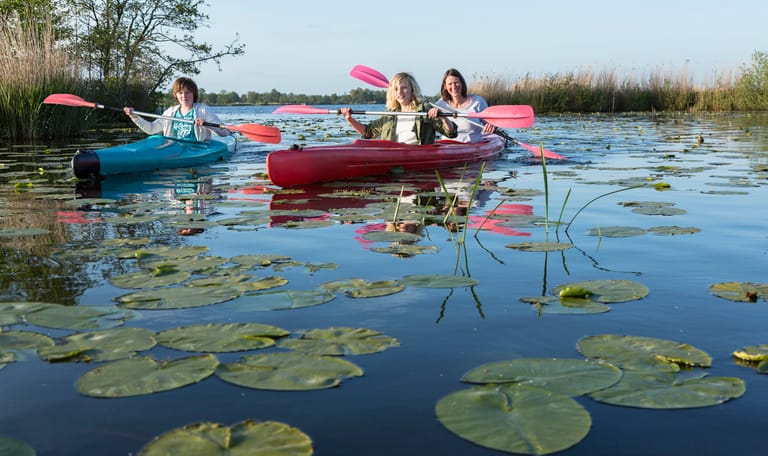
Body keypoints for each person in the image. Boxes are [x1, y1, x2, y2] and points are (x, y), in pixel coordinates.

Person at [340, 72, 457, 144]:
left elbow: (451, 133)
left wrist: (443, 118)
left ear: (412, 90)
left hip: (417, 155)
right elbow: (367, 133)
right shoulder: (391, 114)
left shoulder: (425, 109)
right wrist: (349, 119)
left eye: (404, 88)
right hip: (393, 154)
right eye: (396, 89)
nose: (399, 92)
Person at [123, 77, 229, 141]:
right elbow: (151, 129)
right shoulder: (170, 112)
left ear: (194, 94)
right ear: (176, 95)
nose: (184, 96)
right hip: (174, 149)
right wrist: (134, 116)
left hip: (197, 149)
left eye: (188, 92)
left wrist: (207, 125)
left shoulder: (203, 110)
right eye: (180, 93)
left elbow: (224, 133)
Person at [429, 68, 495, 143]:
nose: (454, 86)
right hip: (446, 146)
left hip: (472, 146)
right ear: (445, 86)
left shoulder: (477, 102)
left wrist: (491, 127)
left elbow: (492, 125)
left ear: (462, 83)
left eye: (456, 82)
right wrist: (432, 112)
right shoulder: (439, 105)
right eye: (450, 84)